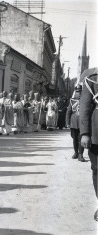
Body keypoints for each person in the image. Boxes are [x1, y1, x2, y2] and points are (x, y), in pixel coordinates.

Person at [79, 68, 98, 221]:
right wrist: (85, 133)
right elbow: (84, 107)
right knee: (97, 170)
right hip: (97, 133)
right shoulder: (92, 79)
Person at [66, 84, 85, 162]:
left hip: (82, 122)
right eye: (77, 91)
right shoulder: (72, 100)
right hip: (73, 122)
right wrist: (67, 123)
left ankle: (81, 155)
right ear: (75, 92)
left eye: (80, 91)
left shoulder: (84, 100)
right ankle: (76, 153)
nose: (79, 93)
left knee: (81, 139)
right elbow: (69, 112)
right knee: (74, 139)